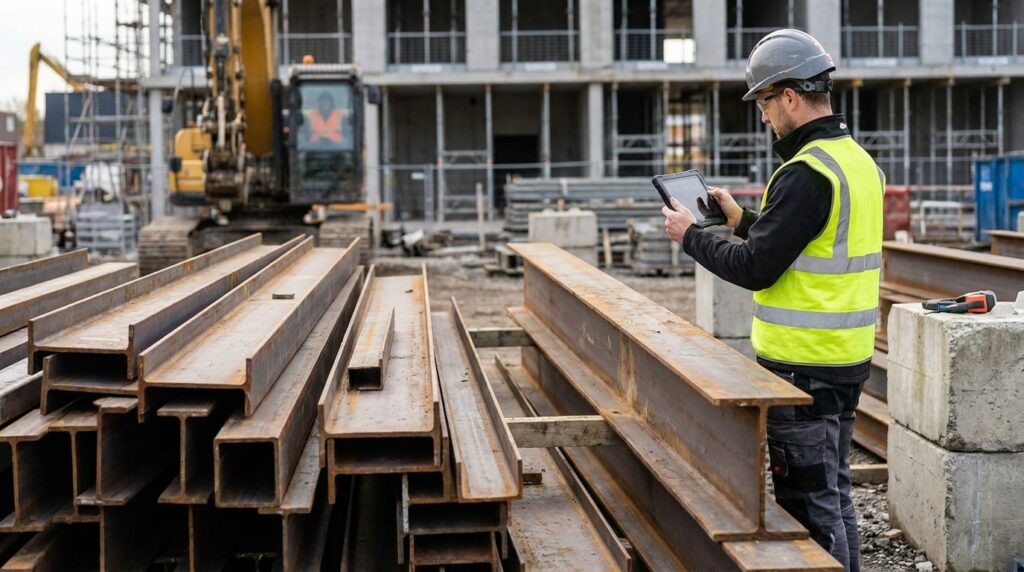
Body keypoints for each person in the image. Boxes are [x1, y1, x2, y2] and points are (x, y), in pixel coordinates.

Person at [662, 29, 883, 572]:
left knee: (808, 510)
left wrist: (691, 235)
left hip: (802, 369)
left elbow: (757, 267)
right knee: (834, 493)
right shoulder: (855, 162)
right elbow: (804, 244)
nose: (763, 116)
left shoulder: (805, 173)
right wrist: (740, 220)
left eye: (764, 102)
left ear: (788, 96)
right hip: (845, 359)